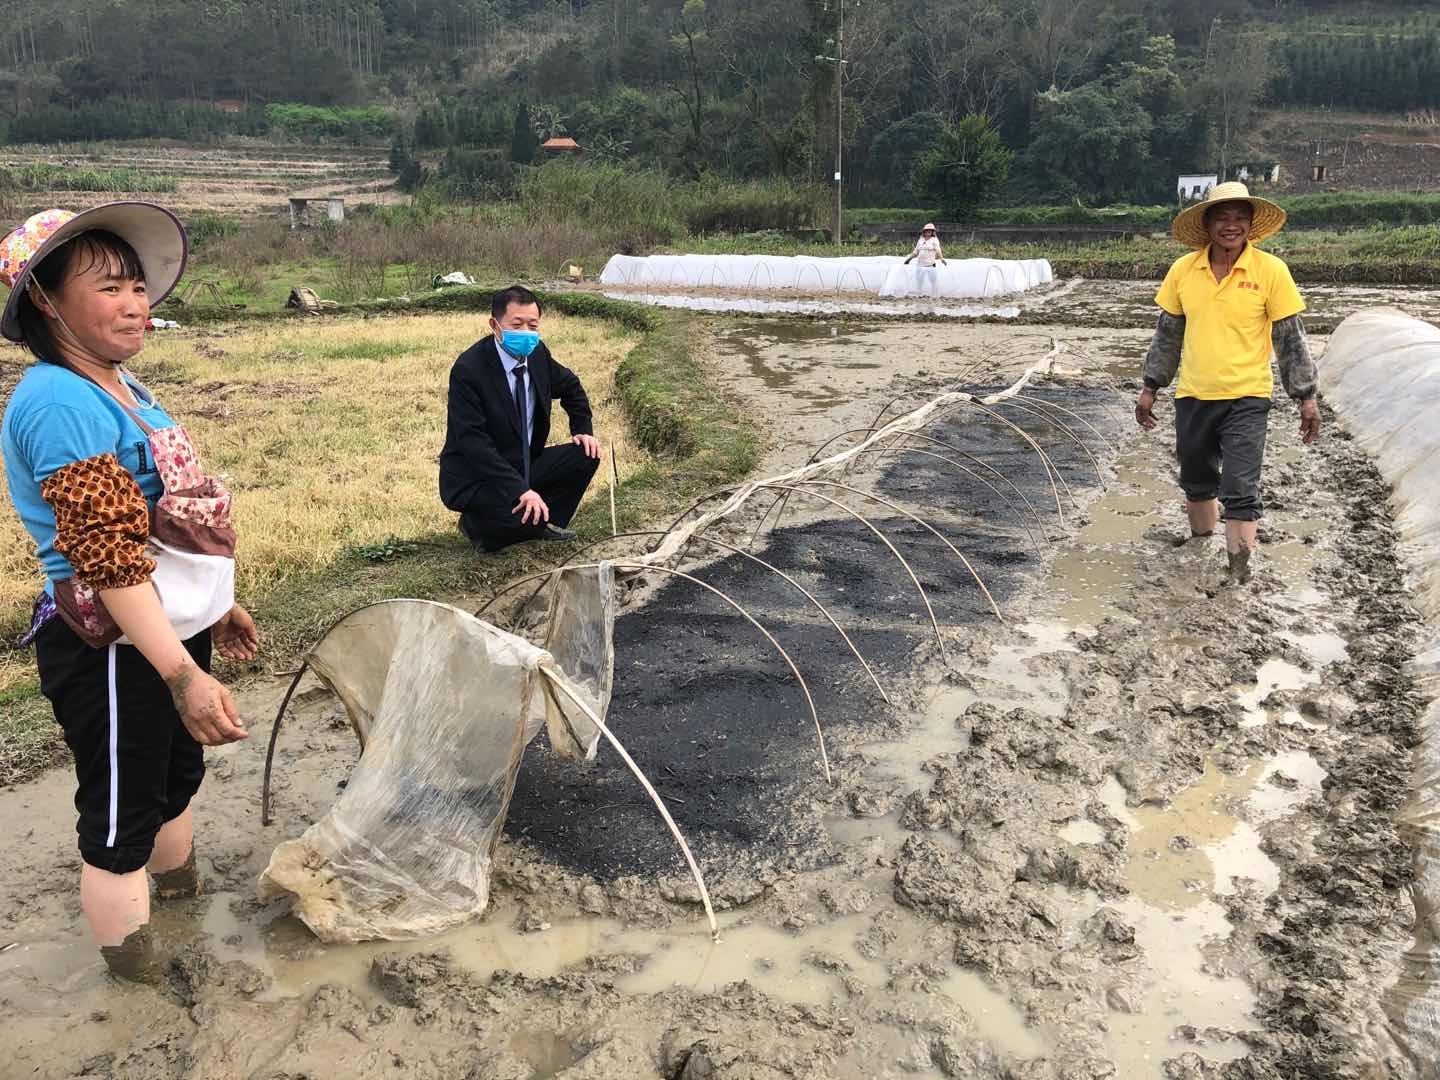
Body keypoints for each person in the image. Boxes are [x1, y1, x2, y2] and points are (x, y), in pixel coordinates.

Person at [1, 204, 259, 980]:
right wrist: (181, 673)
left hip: (166, 622)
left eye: (138, 286)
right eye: (110, 287)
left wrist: (217, 605)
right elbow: (111, 563)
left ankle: (181, 899)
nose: (135, 303)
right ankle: (136, 979)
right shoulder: (58, 403)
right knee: (121, 811)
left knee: (175, 775)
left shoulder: (122, 385)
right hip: (111, 642)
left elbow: (168, 522)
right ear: (46, 302)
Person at [1135, 181, 1320, 583]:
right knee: (1197, 480)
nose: (1231, 226)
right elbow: (1167, 336)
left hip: (1248, 397)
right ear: (1208, 224)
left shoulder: (1271, 271)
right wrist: (1151, 387)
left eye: (1239, 218)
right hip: (1194, 395)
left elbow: (1290, 338)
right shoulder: (1184, 271)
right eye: (1222, 217)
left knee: (1239, 486)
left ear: (1251, 225)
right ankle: (1201, 548)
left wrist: (1305, 396)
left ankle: (1239, 573)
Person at [439, 285, 602, 553]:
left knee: (586, 454)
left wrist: (582, 428)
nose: (526, 333)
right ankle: (478, 523)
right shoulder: (469, 370)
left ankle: (541, 523)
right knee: (503, 531)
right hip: (480, 475)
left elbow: (571, 386)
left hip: (524, 463)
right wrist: (520, 490)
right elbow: (473, 443)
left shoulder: (537, 354)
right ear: (495, 325)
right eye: (517, 324)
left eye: (533, 325)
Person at [903, 222, 947, 294]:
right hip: (920, 264)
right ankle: (919, 291)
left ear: (933, 232)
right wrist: (908, 259)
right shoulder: (921, 240)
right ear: (924, 232)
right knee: (919, 280)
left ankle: (934, 292)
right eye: (927, 230)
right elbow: (915, 251)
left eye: (930, 230)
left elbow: (938, 250)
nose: (929, 231)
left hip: (930, 264)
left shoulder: (934, 240)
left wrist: (941, 259)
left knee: (933, 280)